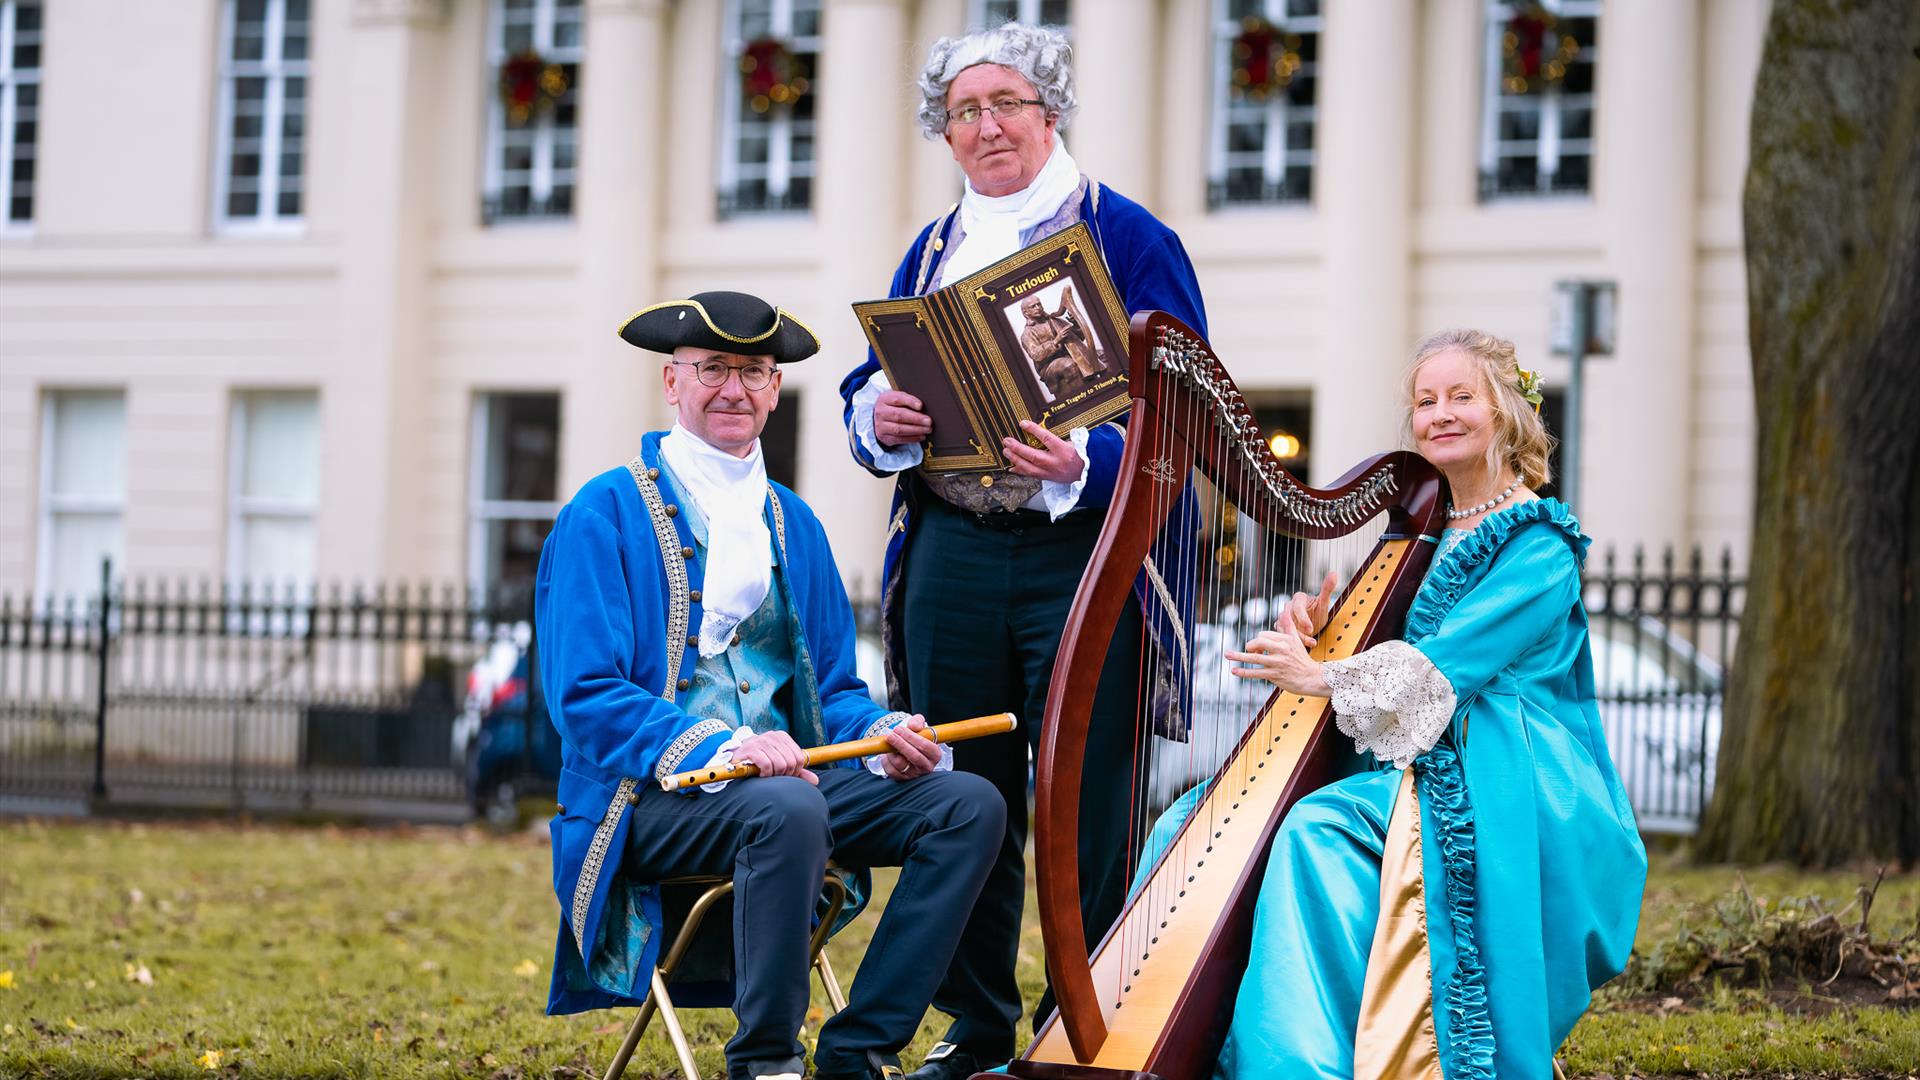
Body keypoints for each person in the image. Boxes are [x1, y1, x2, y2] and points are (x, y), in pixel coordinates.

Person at [837, 23, 1208, 1079]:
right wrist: (881, 417)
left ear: (1051, 111)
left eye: (1007, 102)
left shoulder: (1130, 237)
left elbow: (1184, 410)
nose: (987, 125)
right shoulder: (928, 246)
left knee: (1084, 792)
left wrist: (1086, 460)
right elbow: (871, 382)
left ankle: (1081, 1022)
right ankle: (975, 1027)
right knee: (965, 790)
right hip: (953, 548)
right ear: (943, 130)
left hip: (1085, 555)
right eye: (964, 110)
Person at [538, 290, 1005, 1080]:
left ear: (776, 390)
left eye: (753, 372)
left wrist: (881, 737)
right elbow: (584, 693)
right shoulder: (604, 513)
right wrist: (726, 743)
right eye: (712, 368)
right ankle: (766, 1062)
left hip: (785, 787)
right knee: (786, 804)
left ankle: (857, 1050)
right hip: (650, 798)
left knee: (968, 805)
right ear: (672, 382)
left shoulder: (795, 523)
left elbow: (830, 690)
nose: (734, 390)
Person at [1185, 329, 1646, 1079]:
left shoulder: (1537, 543)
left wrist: (1320, 678)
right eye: (1425, 401)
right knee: (1195, 819)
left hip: (1504, 774)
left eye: (1462, 396)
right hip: (1424, 753)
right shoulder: (1429, 533)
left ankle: (1300, 1065)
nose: (1440, 413)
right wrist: (1321, 632)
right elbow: (1387, 646)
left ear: (1507, 414)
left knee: (1314, 829)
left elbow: (1442, 670)